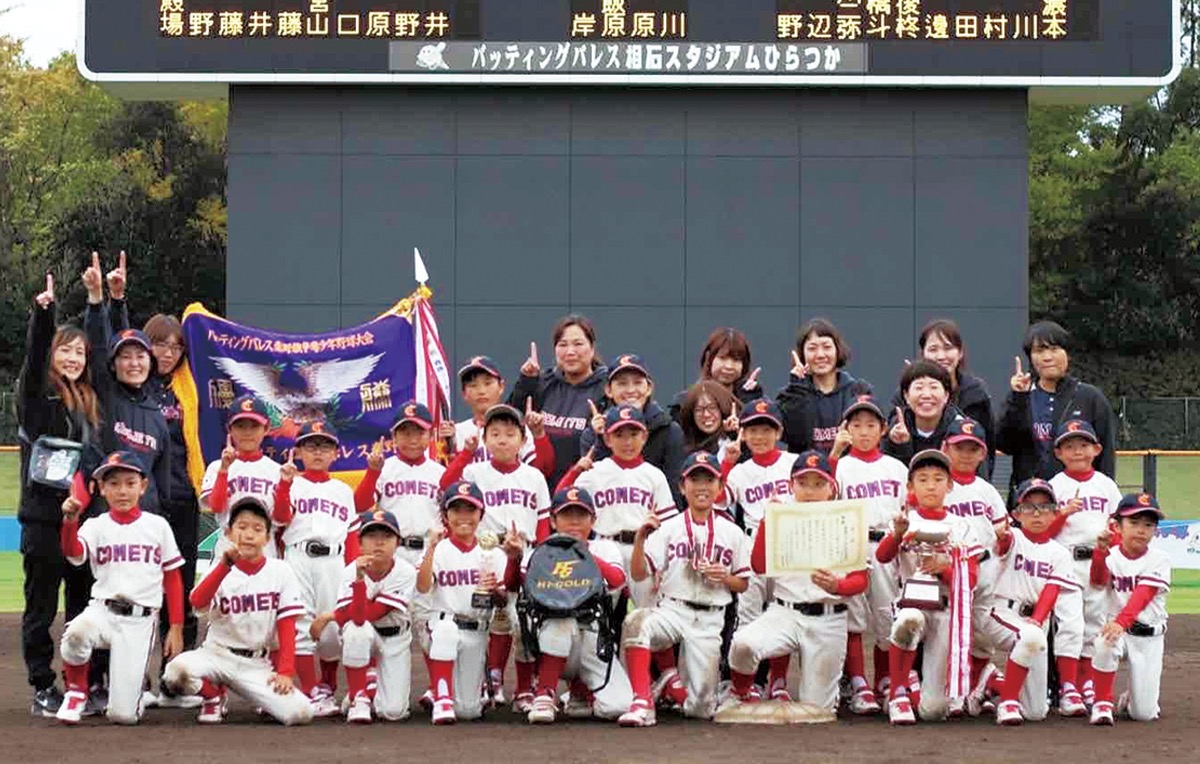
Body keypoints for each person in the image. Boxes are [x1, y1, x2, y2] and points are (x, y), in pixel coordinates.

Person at [17, 272, 104, 718]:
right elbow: (34, 363)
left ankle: (79, 683)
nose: (72, 358)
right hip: (44, 519)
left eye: (79, 352)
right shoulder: (36, 398)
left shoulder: (88, 401)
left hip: (83, 522)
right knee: (41, 606)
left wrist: (99, 302)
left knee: (82, 605)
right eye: (64, 350)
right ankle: (41, 686)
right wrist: (43, 316)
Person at [723, 450, 868, 715]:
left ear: (831, 488)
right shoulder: (782, 516)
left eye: (818, 484)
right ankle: (740, 693)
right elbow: (759, 566)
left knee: (817, 711)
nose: (810, 491)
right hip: (785, 612)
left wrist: (837, 587)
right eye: (803, 483)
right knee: (743, 644)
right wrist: (767, 521)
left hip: (828, 618)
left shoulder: (846, 519)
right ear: (791, 486)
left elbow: (860, 580)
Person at [618, 451, 752, 727]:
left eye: (709, 480)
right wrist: (640, 538)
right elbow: (639, 573)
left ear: (720, 486)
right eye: (694, 480)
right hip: (673, 610)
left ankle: (675, 687)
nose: (702, 487)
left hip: (710, 619)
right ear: (682, 486)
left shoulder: (732, 532)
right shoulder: (670, 527)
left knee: (700, 709)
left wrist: (725, 578)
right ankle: (642, 702)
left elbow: (743, 583)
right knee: (636, 623)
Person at [55, 451, 184, 725]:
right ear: (101, 489)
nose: (122, 491)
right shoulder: (96, 525)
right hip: (102, 610)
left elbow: (172, 577)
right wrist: (70, 522)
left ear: (143, 486)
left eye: (130, 483)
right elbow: (73, 552)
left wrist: (176, 627)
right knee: (76, 634)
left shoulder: (157, 526)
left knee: (123, 716)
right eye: (113, 484)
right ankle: (76, 692)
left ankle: (134, 694)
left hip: (140, 619)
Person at [161, 497, 312, 726]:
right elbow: (197, 601)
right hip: (216, 655)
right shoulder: (219, 569)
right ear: (229, 533)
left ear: (267, 537)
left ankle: (262, 698)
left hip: (255, 663)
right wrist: (224, 567)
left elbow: (287, 624)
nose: (249, 535)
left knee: (300, 713)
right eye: (242, 527)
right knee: (175, 672)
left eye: (257, 529)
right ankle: (212, 696)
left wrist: (285, 672)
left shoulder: (281, 571)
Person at [439, 403, 549, 712]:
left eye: (510, 434)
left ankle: (524, 687)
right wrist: (465, 452)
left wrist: (540, 557)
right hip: (487, 552)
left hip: (525, 551)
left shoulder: (534, 476)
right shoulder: (475, 472)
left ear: (523, 441)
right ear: (485, 439)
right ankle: (492, 678)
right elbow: (445, 486)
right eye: (495, 433)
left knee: (523, 620)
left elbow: (543, 520)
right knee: (490, 617)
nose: (502, 439)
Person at [876, 449, 983, 725]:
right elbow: (882, 556)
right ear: (911, 486)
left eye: (938, 479)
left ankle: (913, 685)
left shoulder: (962, 526)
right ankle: (898, 693)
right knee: (908, 620)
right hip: (911, 601)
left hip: (946, 610)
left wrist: (945, 569)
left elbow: (971, 579)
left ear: (949, 485)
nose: (931, 486)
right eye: (922, 479)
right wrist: (898, 535)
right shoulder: (904, 521)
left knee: (933, 711)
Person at [510, 487, 634, 724]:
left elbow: (617, 581)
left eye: (581, 515)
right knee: (562, 618)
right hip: (549, 641)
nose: (575, 521)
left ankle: (580, 691)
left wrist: (579, 552)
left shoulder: (604, 548)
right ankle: (545, 693)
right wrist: (513, 559)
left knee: (618, 706)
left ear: (593, 520)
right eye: (567, 515)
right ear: (553, 521)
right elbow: (518, 584)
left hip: (593, 640)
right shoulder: (541, 552)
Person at [967, 478, 1080, 725]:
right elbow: (1004, 543)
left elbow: (1051, 590)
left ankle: (992, 682)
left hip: (1034, 623)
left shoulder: (1059, 553)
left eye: (1045, 507)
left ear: (1055, 513)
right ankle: (1007, 702)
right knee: (1030, 636)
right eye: (1029, 507)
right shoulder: (1014, 537)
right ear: (1016, 514)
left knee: (1035, 711)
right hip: (1001, 613)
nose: (1037, 513)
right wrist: (1002, 536)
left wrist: (1037, 620)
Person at [271, 421, 361, 716]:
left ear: (336, 453)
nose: (318, 452)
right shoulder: (291, 483)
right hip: (299, 557)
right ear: (298, 452)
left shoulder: (343, 490)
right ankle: (311, 691)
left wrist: (353, 572)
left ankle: (328, 686)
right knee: (300, 624)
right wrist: (285, 485)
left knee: (332, 625)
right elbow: (280, 518)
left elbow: (351, 535)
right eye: (311, 446)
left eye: (324, 446)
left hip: (334, 561)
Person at [830, 396, 907, 715]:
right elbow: (826, 497)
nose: (863, 431)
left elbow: (908, 507)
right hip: (851, 543)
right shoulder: (841, 465)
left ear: (883, 429)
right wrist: (834, 454)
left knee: (887, 613)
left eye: (871, 425)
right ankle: (859, 681)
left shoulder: (896, 467)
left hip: (887, 544)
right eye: (856, 425)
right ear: (846, 429)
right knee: (853, 615)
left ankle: (885, 679)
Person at [556, 404, 677, 605]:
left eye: (634, 434)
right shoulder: (595, 472)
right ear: (607, 439)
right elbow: (559, 499)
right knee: (603, 611)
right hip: (606, 547)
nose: (627, 442)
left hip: (643, 550)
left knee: (645, 615)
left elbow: (669, 526)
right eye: (619, 435)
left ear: (644, 437)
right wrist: (575, 471)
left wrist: (663, 564)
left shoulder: (654, 475)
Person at [415, 481, 511, 724]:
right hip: (443, 624)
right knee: (446, 630)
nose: (463, 516)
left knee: (468, 711)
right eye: (456, 510)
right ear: (446, 515)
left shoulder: (493, 553)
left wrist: (494, 590)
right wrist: (430, 548)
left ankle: (465, 693)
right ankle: (442, 698)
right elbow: (423, 587)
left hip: (476, 631)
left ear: (481, 514)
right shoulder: (439, 549)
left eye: (470, 509)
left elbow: (502, 601)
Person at [311, 508, 417, 724]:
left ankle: (371, 686)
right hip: (366, 634)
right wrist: (359, 579)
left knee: (393, 712)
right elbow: (356, 620)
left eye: (386, 536)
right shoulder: (350, 571)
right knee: (357, 630)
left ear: (397, 542)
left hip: (395, 638)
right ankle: (358, 696)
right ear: (360, 543)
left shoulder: (405, 572)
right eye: (371, 536)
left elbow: (373, 612)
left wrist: (329, 615)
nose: (379, 542)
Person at [1047, 419, 1123, 710]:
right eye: (1069, 446)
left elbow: (1119, 524)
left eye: (1083, 445)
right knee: (1070, 624)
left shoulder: (1106, 485)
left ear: (1096, 449)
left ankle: (1087, 682)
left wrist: (1111, 544)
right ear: (1058, 453)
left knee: (1094, 624)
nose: (1077, 451)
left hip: (1097, 560)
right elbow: (1044, 531)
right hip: (1066, 561)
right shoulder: (1055, 485)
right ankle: (1068, 687)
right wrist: (1063, 513)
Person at [997, 320, 1117, 490]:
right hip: (1031, 496)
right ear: (1030, 357)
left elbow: (1106, 456)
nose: (1047, 357)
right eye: (1039, 350)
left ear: (1067, 353)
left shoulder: (1090, 398)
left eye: (1054, 349)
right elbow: (1004, 443)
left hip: (1078, 496)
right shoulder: (1023, 396)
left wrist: (1104, 493)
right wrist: (1018, 398)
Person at [1089, 493, 1171, 725]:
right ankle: (1102, 703)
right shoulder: (1111, 556)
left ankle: (1132, 697)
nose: (1141, 530)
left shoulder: (1159, 559)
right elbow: (1097, 581)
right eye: (1133, 522)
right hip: (1118, 631)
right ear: (1117, 526)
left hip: (1148, 636)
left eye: (1148, 525)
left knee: (1143, 714)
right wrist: (1100, 553)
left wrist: (1120, 622)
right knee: (1104, 642)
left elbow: (1143, 595)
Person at [508, 314, 608, 487]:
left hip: (587, 491)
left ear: (592, 348)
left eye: (578, 344)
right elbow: (508, 422)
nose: (570, 352)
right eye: (563, 344)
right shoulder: (543, 383)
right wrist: (527, 382)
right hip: (540, 491)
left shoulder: (606, 387)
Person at [891, 320, 996, 476]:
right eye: (933, 349)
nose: (941, 356)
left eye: (948, 348)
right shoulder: (904, 396)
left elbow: (987, 446)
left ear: (960, 352)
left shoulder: (976, 394)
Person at [579, 354, 685, 505]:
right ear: (608, 390)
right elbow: (591, 489)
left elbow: (675, 492)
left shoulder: (669, 431)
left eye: (637, 383)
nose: (630, 390)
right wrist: (601, 439)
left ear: (649, 388)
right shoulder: (593, 434)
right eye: (622, 384)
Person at [200, 395, 281, 560]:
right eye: (240, 426)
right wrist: (224, 470)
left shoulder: (277, 471)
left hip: (265, 546)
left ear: (266, 428)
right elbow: (216, 507)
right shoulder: (217, 466)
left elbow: (282, 519)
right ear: (229, 429)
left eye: (254, 426)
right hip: (229, 543)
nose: (247, 432)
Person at [776, 318, 872, 454]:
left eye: (827, 347)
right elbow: (794, 438)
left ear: (837, 350)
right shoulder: (790, 394)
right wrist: (797, 388)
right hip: (806, 467)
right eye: (812, 348)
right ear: (802, 354)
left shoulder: (858, 391)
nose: (820, 355)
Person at [448, 355, 554, 477]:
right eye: (473, 385)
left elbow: (542, 471)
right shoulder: (456, 433)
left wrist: (539, 436)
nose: (481, 391)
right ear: (464, 394)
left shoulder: (518, 428)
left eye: (488, 383)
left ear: (501, 386)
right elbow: (447, 482)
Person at [669, 327, 764, 421]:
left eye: (736, 360)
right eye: (722, 358)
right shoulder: (685, 403)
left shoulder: (757, 401)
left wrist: (749, 405)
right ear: (708, 357)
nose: (729, 366)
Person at [883, 360, 959, 467]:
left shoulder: (959, 429)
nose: (926, 395)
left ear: (946, 395)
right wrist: (899, 445)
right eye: (919, 388)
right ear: (906, 396)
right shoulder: (894, 430)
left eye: (934, 387)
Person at [677, 380, 739, 460]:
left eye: (712, 407)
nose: (706, 414)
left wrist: (735, 434)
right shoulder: (682, 446)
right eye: (698, 410)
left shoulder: (739, 439)